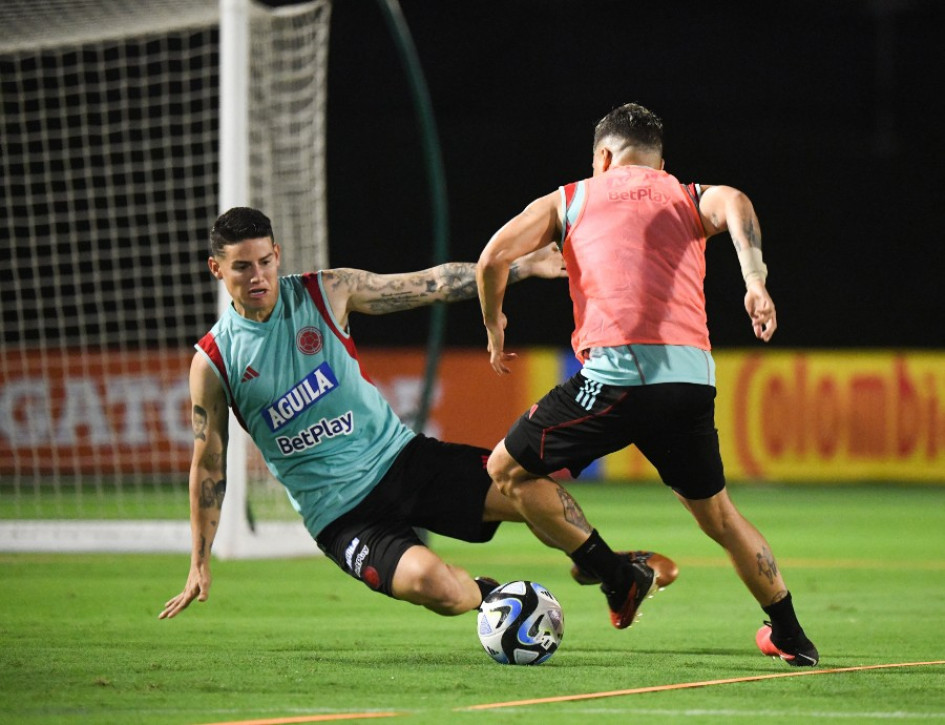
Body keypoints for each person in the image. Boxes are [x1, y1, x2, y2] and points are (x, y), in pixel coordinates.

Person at [159, 206, 673, 622]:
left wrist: (521, 268)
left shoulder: (325, 292)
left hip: (403, 461)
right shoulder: (214, 362)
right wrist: (199, 560)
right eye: (243, 266)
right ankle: (495, 597)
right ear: (217, 269)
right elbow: (209, 465)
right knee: (436, 588)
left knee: (527, 483)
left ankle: (608, 572)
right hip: (342, 517)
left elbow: (432, 283)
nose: (259, 276)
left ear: (277, 254)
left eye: (265, 261)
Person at [476, 102, 819, 666]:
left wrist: (495, 325)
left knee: (506, 471)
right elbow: (736, 201)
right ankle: (790, 634)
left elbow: (493, 258)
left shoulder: (575, 196)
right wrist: (755, 281)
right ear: (660, 161)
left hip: (617, 378)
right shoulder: (684, 194)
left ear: (603, 156)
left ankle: (616, 575)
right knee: (720, 518)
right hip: (690, 383)